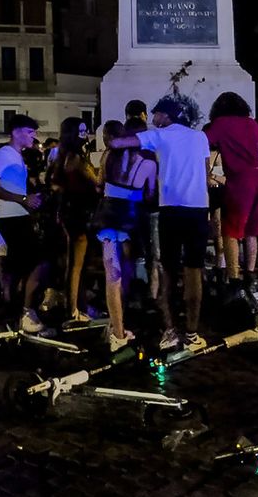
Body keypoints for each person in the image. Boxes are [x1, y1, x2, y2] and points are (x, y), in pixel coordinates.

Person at [107, 93, 212, 351]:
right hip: (198, 209)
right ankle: (192, 333)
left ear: (167, 115)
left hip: (171, 210)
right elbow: (206, 170)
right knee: (194, 271)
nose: (152, 119)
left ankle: (169, 330)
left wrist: (110, 137)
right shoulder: (200, 137)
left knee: (168, 270)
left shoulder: (160, 135)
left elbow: (119, 144)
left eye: (156, 114)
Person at [0, 115, 49, 334]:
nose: (34, 137)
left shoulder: (16, 156)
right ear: (17, 132)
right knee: (39, 263)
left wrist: (29, 200)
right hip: (11, 218)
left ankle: (14, 313)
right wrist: (22, 200)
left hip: (17, 216)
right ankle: (27, 312)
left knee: (18, 268)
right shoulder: (3, 155)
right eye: (30, 132)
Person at [93, 120, 156, 350]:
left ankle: (117, 329)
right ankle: (124, 318)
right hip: (131, 218)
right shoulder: (148, 162)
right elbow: (149, 194)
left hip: (108, 216)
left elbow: (99, 185)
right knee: (128, 269)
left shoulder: (109, 156)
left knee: (112, 274)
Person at [204, 92, 258, 303]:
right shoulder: (252, 124)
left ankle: (234, 279)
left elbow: (205, 143)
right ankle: (250, 275)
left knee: (230, 231)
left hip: (239, 181)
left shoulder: (220, 124)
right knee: (253, 231)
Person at [51, 117, 99, 322]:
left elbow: (54, 183)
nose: (85, 133)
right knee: (76, 264)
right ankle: (73, 310)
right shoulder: (76, 158)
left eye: (85, 129)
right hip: (79, 213)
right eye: (80, 131)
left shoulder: (63, 156)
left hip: (71, 211)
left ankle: (78, 307)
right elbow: (95, 182)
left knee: (77, 263)